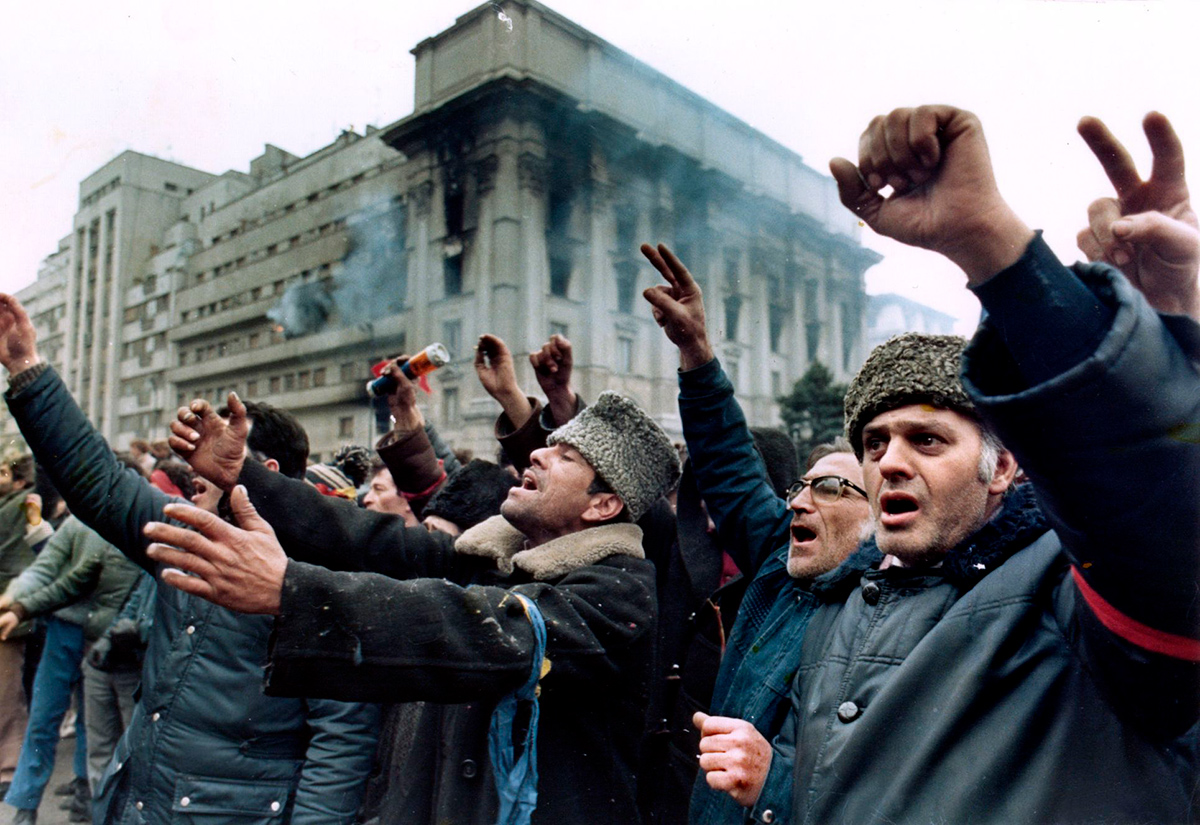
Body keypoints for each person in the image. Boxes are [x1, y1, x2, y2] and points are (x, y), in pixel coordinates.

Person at [723, 105, 1199, 824]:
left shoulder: (1071, 595)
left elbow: (1155, 522)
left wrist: (992, 244)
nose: (890, 462)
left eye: (928, 440)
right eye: (874, 443)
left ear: (1002, 468)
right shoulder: (840, 608)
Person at [150, 348, 680, 825]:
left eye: (566, 457)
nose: (537, 454)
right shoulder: (493, 558)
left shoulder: (619, 593)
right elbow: (368, 539)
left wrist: (291, 591)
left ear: (603, 506)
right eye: (549, 446)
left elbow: (481, 627)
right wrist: (242, 473)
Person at [0, 323, 381, 825]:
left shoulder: (320, 578)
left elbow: (342, 742)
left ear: (262, 472)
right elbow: (99, 481)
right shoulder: (185, 537)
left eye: (221, 452)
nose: (195, 470)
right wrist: (26, 368)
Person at [638, 244, 871, 824]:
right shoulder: (779, 562)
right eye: (800, 486)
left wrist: (773, 783)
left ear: (880, 515)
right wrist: (696, 352)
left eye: (830, 488)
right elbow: (729, 465)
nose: (799, 501)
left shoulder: (888, 616)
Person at [0, 500, 143, 824]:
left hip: (104, 633)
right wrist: (15, 598)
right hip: (66, 629)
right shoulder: (79, 525)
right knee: (46, 714)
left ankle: (84, 792)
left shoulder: (128, 525)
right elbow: (50, 571)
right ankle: (27, 803)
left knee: (91, 721)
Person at [0, 454, 36, 802]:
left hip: (9, 605)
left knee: (7, 692)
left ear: (20, 480)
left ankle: (9, 768)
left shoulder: (25, 503)